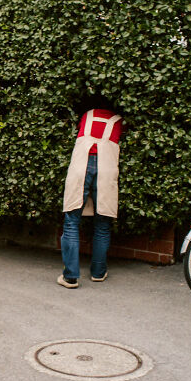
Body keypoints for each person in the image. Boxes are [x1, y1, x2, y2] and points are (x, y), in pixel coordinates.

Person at [57, 93, 124, 289]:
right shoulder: (118, 121)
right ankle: (98, 272)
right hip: (106, 168)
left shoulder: (87, 116)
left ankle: (70, 277)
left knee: (72, 220)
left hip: (81, 166)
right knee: (102, 222)